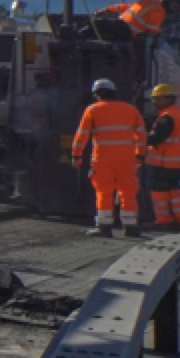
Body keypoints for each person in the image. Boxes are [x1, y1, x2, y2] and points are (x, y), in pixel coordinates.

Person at [71, 78, 149, 238]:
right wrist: (140, 155)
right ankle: (131, 226)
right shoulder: (131, 110)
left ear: (97, 95)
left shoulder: (93, 110)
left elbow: (82, 135)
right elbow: (141, 135)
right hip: (127, 159)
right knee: (128, 191)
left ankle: (104, 226)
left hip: (103, 159)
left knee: (104, 191)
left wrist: (77, 155)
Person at [145, 81, 180, 227]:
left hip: (165, 162)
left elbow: (157, 138)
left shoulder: (167, 117)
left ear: (168, 98)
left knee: (159, 191)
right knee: (174, 190)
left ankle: (164, 219)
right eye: (154, 98)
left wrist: (138, 137)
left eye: (158, 98)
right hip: (177, 162)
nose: (154, 102)